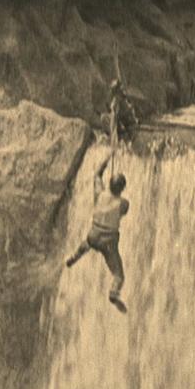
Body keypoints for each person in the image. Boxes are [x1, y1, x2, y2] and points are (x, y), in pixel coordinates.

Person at [65, 154, 129, 313]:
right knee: (119, 275)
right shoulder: (123, 203)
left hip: (93, 235)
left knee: (87, 243)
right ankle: (114, 293)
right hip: (109, 241)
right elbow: (123, 211)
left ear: (109, 184)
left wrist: (108, 158)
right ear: (122, 189)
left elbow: (97, 175)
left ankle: (74, 257)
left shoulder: (99, 194)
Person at [102, 79, 138, 145]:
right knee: (104, 117)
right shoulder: (116, 99)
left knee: (112, 120)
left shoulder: (120, 100)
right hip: (122, 122)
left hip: (128, 124)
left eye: (114, 90)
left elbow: (115, 116)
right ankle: (113, 137)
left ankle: (116, 142)